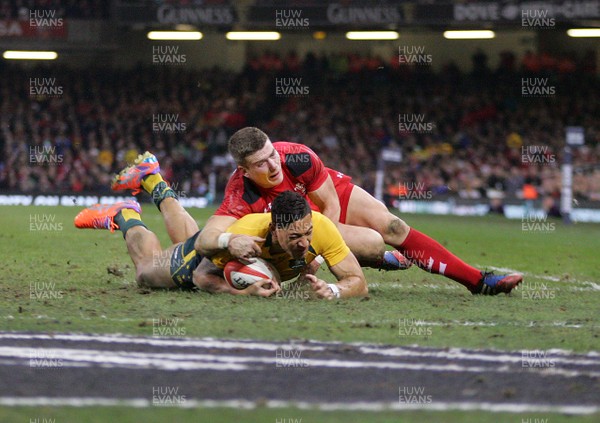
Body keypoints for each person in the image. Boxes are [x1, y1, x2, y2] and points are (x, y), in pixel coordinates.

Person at [111, 127, 522, 295]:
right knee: (172, 255)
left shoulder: (299, 159)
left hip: (316, 204)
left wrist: (324, 248)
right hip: (279, 223)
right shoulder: (242, 194)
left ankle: (476, 280)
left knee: (387, 228)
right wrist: (230, 241)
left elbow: (330, 210)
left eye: (273, 156)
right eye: (262, 164)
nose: (272, 166)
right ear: (244, 169)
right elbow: (204, 243)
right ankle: (141, 196)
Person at [74, 190, 368, 300]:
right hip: (202, 259)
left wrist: (332, 290)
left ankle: (156, 184)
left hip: (217, 244)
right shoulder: (247, 233)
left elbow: (357, 281)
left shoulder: (322, 229)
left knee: (190, 235)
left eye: (307, 233)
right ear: (274, 228)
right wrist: (241, 292)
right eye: (294, 237)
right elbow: (202, 277)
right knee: (145, 271)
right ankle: (125, 215)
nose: (305, 243)